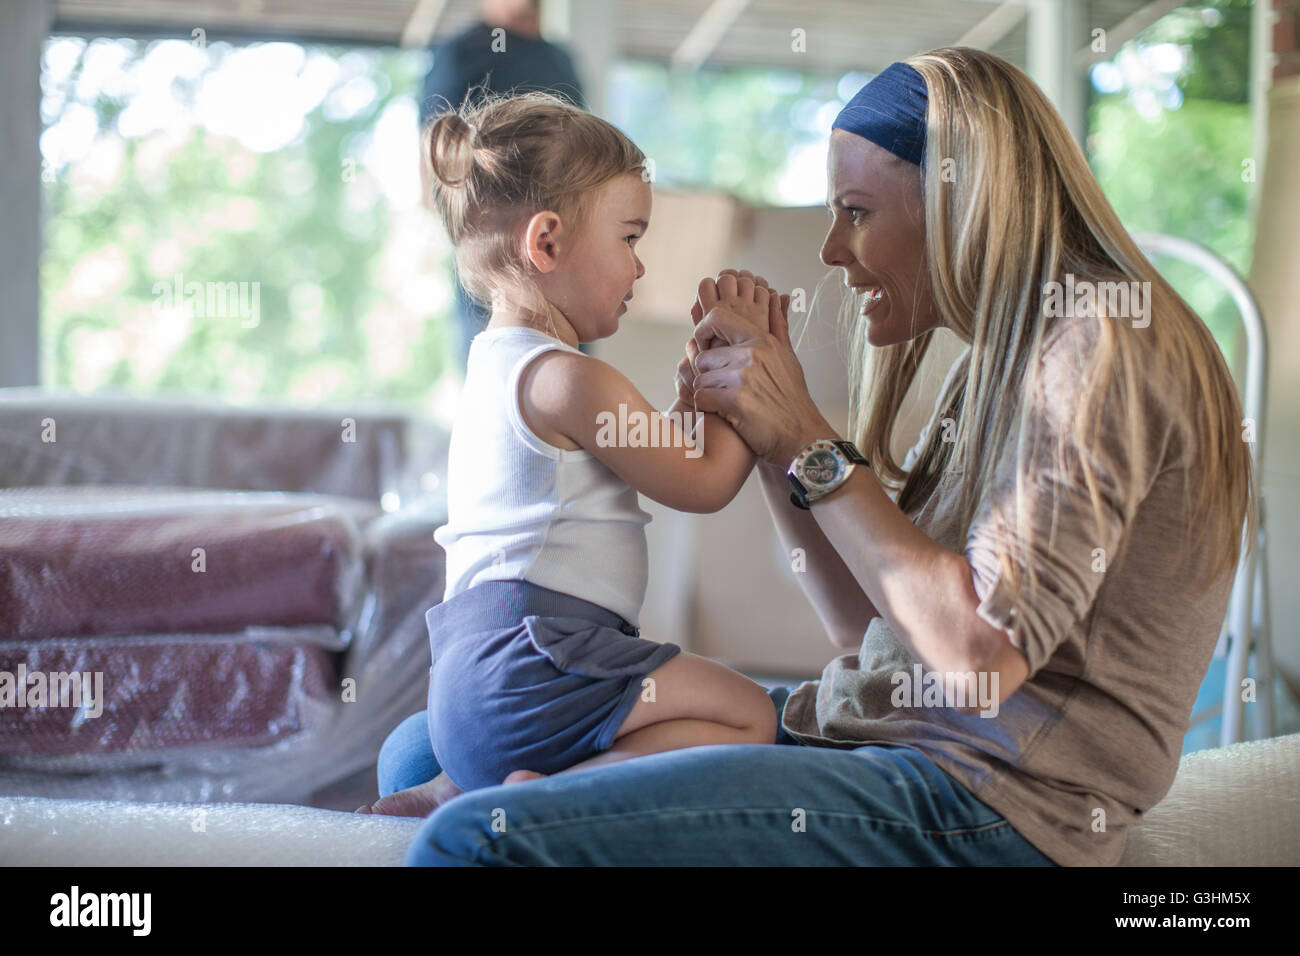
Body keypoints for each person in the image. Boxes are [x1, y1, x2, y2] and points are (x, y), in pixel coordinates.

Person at [368, 47, 1255, 867]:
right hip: (891, 732)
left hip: (986, 796)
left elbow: (980, 658)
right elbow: (865, 630)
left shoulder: (1096, 345)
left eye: (856, 214)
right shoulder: (1002, 360)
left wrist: (806, 439)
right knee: (424, 745)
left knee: (475, 841)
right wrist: (763, 431)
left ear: (961, 199)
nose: (832, 252)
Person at [366, 89, 785, 799]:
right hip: (536, 669)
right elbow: (705, 483)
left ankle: (451, 787)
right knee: (747, 714)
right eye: (629, 237)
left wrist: (690, 403)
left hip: (469, 685)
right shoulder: (570, 379)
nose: (640, 266)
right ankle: (549, 798)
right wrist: (755, 369)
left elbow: (643, 463)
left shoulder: (499, 371)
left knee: (689, 699)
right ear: (548, 242)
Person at [419, 0, 589, 374]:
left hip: (563, 260)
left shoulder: (560, 60)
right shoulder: (460, 54)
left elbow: (585, 159)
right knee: (500, 386)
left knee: (574, 384)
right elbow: (433, 166)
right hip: (492, 266)